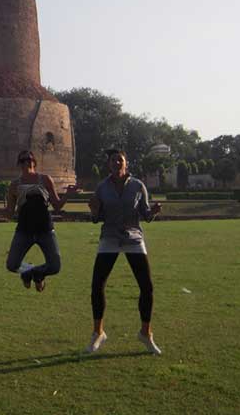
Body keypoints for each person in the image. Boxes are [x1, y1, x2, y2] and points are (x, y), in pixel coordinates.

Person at [85, 149, 163, 355]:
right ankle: (98, 333)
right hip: (110, 237)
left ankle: (146, 333)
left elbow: (145, 215)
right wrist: (93, 211)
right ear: (109, 164)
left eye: (120, 160)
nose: (117, 163)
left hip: (133, 237)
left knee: (147, 287)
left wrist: (153, 212)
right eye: (113, 160)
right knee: (97, 286)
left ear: (126, 163)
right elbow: (96, 218)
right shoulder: (102, 187)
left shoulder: (138, 186)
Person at [0, 150, 78, 292]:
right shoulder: (15, 185)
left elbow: (57, 206)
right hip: (24, 230)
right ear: (19, 164)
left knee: (55, 266)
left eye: (29, 159)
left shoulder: (45, 179)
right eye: (23, 160)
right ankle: (29, 271)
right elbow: (9, 213)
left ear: (34, 162)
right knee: (12, 265)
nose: (27, 162)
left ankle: (35, 274)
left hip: (45, 229)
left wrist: (68, 195)